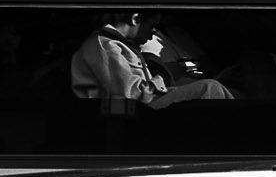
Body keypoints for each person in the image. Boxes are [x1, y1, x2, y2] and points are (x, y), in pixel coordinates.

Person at [72, 13, 233, 108]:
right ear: (135, 19)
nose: (154, 32)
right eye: (152, 26)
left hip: (144, 106)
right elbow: (131, 95)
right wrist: (160, 77)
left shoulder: (122, 45)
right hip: (131, 114)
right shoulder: (105, 46)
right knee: (209, 88)